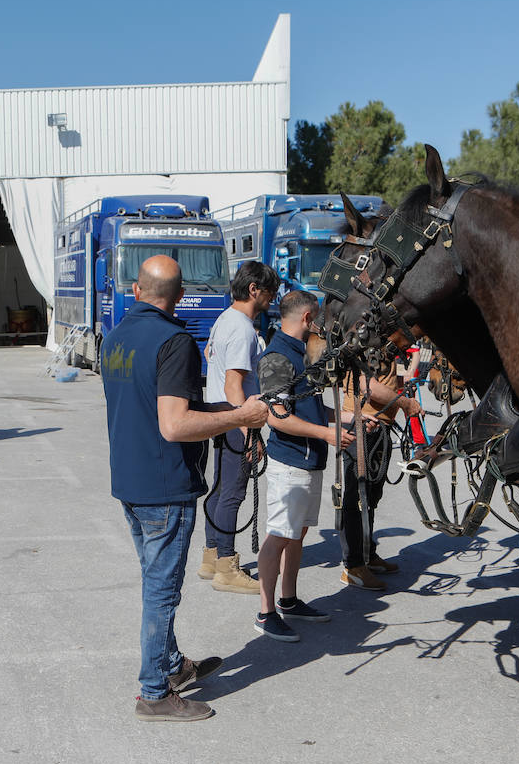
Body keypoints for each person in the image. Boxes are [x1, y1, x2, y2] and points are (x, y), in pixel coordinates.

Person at [102, 254, 269, 722]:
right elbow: (174, 425)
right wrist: (241, 416)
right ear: (179, 296)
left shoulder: (115, 336)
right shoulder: (175, 341)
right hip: (164, 486)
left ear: (136, 290)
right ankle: (154, 692)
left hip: (130, 481)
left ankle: (171, 666)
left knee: (156, 583)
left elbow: (138, 404)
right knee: (162, 590)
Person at [253, 291, 356, 640]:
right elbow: (279, 418)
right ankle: (266, 613)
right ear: (309, 319)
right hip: (291, 462)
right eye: (322, 323)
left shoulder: (301, 354)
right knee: (280, 534)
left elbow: (306, 409)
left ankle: (289, 600)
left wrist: (347, 418)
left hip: (309, 460)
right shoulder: (278, 358)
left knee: (297, 533)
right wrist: (327, 434)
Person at [199, 260, 280, 595]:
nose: (272, 299)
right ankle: (227, 568)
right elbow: (235, 386)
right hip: (235, 417)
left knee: (219, 488)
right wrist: (249, 434)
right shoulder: (243, 328)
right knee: (232, 491)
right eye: (270, 293)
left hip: (220, 414)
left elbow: (209, 356)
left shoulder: (224, 320)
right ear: (254, 290)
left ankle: (212, 557)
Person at [336, 356, 423, 591]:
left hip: (378, 425)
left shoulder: (383, 343)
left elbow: (384, 381)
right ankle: (353, 566)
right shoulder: (365, 342)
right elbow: (367, 386)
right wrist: (404, 402)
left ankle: (367, 554)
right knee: (357, 498)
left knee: (372, 496)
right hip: (361, 424)